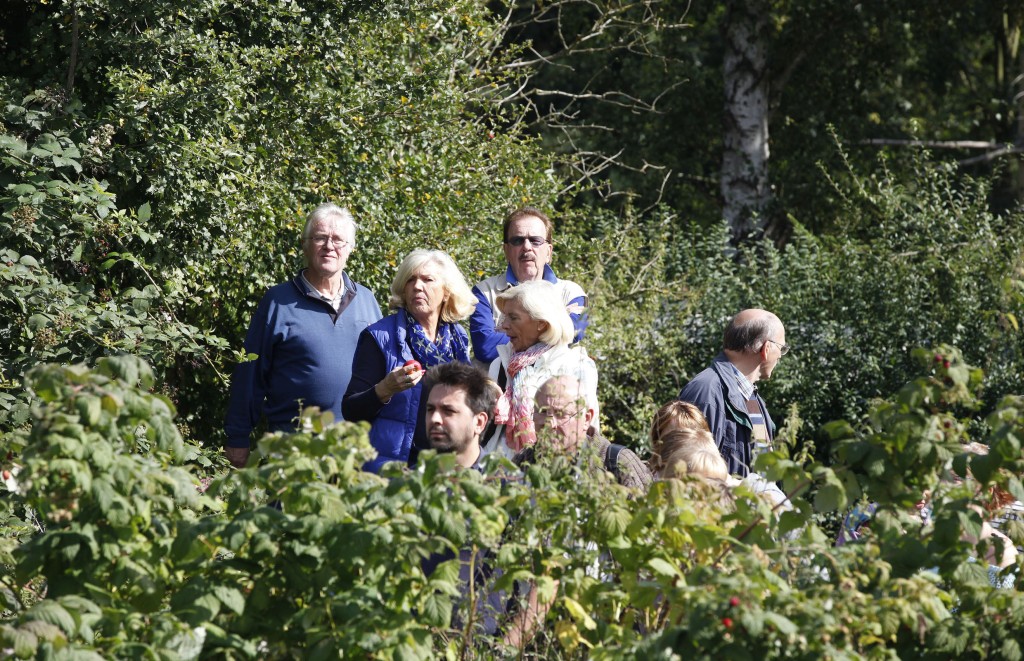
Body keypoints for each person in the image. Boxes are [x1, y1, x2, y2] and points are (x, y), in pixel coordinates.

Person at [223, 203, 382, 468]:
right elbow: (250, 374)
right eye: (320, 238)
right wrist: (238, 436)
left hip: (355, 449)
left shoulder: (366, 300)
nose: (329, 246)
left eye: (338, 240)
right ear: (305, 245)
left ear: (350, 248)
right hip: (293, 448)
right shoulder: (278, 302)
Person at [343, 249, 476, 473]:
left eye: (427, 280)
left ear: (446, 292)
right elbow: (351, 410)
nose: (417, 286)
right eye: (411, 280)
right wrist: (385, 389)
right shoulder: (380, 337)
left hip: (445, 467)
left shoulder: (457, 338)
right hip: (393, 469)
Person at [484, 280, 599, 459]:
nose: (504, 325)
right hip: (497, 467)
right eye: (504, 317)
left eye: (513, 318)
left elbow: (585, 431)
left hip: (549, 468)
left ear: (542, 324)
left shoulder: (575, 366)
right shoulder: (500, 364)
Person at [677, 309, 787, 477]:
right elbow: (688, 473)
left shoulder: (751, 396)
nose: (780, 356)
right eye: (781, 348)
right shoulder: (706, 391)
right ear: (766, 348)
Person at [470, 207, 587, 365]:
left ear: (549, 252)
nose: (526, 247)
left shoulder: (573, 293)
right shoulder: (483, 292)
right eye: (517, 240)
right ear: (506, 250)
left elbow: (575, 332)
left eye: (535, 240)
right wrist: (552, 330)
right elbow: (486, 347)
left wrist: (514, 333)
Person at [514, 375, 651, 491]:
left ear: (586, 419)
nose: (550, 424)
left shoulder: (619, 462)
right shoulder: (522, 462)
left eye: (560, 414)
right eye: (542, 412)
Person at [423, 362, 499, 469]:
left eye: (448, 411)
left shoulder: (501, 478)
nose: (434, 418)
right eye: (430, 409)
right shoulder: (410, 478)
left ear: (479, 422)